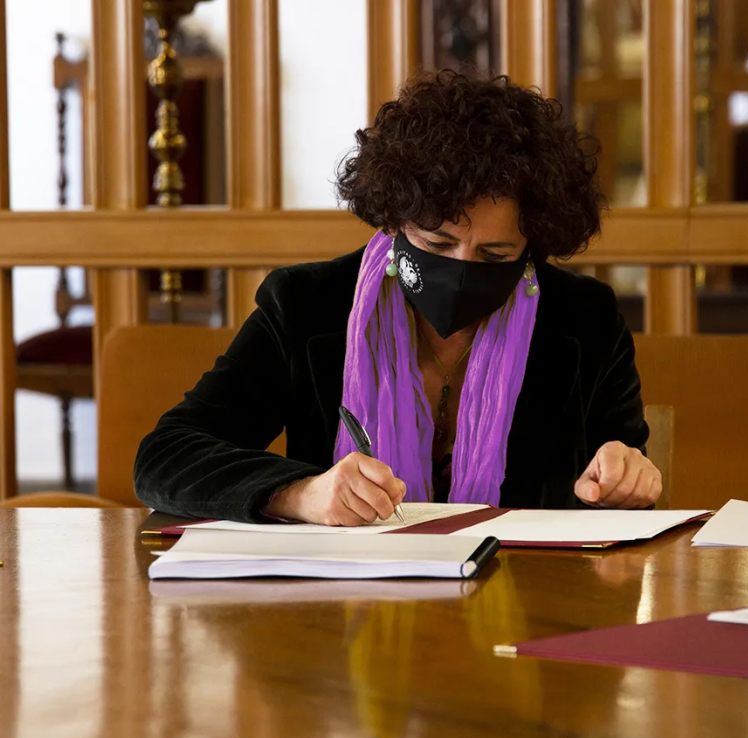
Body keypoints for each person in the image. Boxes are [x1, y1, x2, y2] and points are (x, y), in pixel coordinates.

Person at [134, 70, 661, 526]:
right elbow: (165, 458)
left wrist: (626, 478)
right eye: (436, 243)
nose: (460, 269)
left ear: (534, 246)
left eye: (495, 256)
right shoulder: (307, 306)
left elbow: (622, 478)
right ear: (394, 218)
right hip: (341, 614)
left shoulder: (583, 319)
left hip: (526, 609)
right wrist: (299, 494)